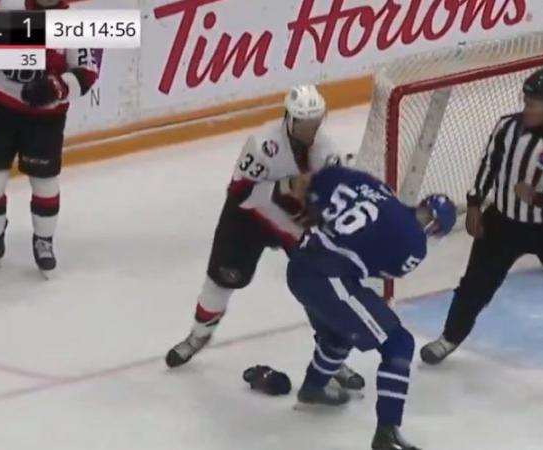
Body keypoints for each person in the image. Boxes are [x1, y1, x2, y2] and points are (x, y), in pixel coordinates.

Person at [166, 85, 365, 389]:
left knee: (318, 287)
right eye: (303, 123)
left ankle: (331, 357)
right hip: (248, 218)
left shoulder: (327, 152)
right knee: (221, 280)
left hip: (293, 222)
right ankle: (198, 335)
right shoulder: (262, 145)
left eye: (315, 122)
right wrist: (288, 185)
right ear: (289, 119)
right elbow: (240, 193)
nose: (310, 130)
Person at [420, 68, 543, 389]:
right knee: (475, 286)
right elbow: (488, 165)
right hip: (502, 225)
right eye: (526, 99)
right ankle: (449, 338)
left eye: (534, 102)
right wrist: (476, 204)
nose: (526, 106)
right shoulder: (507, 127)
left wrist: (541, 199)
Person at [286, 165, 456, 450]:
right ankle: (387, 433)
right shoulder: (415, 246)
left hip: (301, 265)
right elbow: (385, 269)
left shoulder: (376, 188)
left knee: (340, 333)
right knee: (398, 343)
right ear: (435, 229)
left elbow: (317, 183)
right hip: (328, 276)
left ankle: (313, 387)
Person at [0, 0, 99, 277]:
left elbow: (87, 73)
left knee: (44, 181)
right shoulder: (9, 6)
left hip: (45, 119)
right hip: (0, 109)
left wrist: (55, 87)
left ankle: (44, 242)